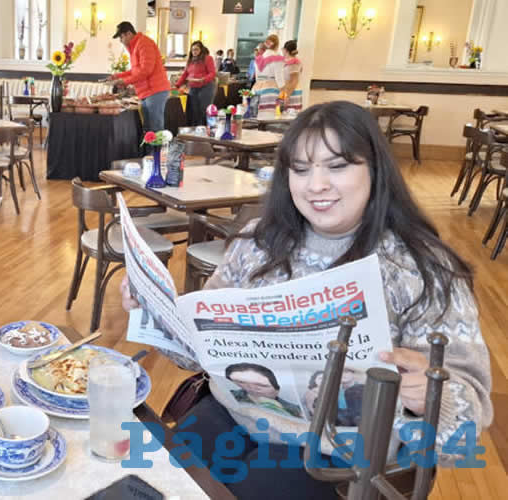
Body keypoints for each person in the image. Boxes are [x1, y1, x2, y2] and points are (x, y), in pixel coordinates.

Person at [120, 101, 493, 499]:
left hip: (339, 454)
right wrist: (159, 317)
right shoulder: (257, 240)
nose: (316, 185)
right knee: (151, 482)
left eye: (337, 166)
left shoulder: (422, 268)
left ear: (375, 170)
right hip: (234, 413)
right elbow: (200, 353)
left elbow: (465, 428)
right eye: (300, 169)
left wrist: (432, 396)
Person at [108, 21, 171, 133]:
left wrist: (124, 81)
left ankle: (157, 151)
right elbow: (135, 70)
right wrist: (116, 76)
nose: (121, 41)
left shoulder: (143, 43)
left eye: (121, 37)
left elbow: (146, 70)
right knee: (148, 128)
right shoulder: (135, 46)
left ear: (128, 34)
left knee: (155, 128)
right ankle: (150, 151)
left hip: (155, 91)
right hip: (147, 92)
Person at [226, 363, 301, 418]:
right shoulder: (227, 396)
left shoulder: (296, 411)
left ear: (276, 390)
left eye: (260, 385)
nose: (251, 388)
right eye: (241, 382)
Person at [176, 41, 217, 127]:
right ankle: (195, 128)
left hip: (206, 87)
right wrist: (177, 85)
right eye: (192, 50)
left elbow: (212, 73)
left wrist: (203, 79)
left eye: (196, 49)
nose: (194, 52)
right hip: (193, 87)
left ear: (201, 50)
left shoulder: (208, 58)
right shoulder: (190, 60)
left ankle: (205, 128)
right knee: (194, 110)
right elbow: (185, 74)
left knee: (203, 109)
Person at [252, 34, 285, 119]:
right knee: (270, 117)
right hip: (271, 89)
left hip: (257, 88)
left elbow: (256, 77)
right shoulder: (278, 58)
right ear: (277, 45)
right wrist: (283, 91)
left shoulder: (258, 59)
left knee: (257, 116)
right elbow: (279, 77)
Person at [281, 40, 303, 113]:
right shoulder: (287, 61)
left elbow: (294, 80)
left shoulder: (294, 62)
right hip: (287, 91)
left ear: (285, 50)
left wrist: (287, 96)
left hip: (292, 93)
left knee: (290, 117)